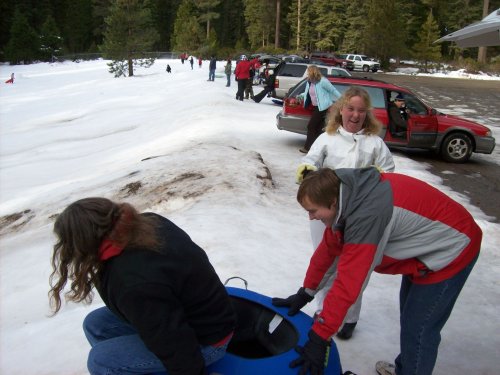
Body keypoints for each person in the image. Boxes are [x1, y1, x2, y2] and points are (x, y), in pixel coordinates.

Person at [273, 167, 481, 375]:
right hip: (425, 245)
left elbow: (349, 283)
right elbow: (328, 252)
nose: (311, 217)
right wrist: (306, 292)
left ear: (333, 203)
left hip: (452, 250)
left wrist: (320, 337)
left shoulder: (367, 216)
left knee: (418, 329)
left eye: (313, 210)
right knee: (410, 319)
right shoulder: (345, 195)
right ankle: (407, 369)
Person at [49, 198, 236, 375]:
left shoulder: (132, 281)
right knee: (95, 324)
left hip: (207, 341)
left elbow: (174, 342)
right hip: (200, 314)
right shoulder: (146, 223)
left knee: (100, 360)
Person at [296, 86, 395, 340]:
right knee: (327, 262)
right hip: (327, 211)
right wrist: (307, 170)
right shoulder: (327, 137)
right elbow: (310, 160)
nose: (355, 115)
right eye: (350, 108)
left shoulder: (375, 143)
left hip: (361, 215)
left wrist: (375, 175)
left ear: (367, 114)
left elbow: (389, 173)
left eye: (361, 110)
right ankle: (323, 311)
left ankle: (349, 317)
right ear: (341, 110)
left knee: (353, 268)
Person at [297, 65, 341, 153]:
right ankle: (318, 148)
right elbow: (308, 93)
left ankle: (307, 147)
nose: (307, 74)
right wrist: (301, 96)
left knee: (311, 126)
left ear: (313, 72)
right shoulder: (309, 82)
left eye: (308, 72)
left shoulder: (322, 81)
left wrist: (343, 99)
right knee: (318, 129)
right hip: (316, 107)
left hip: (323, 107)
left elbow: (333, 90)